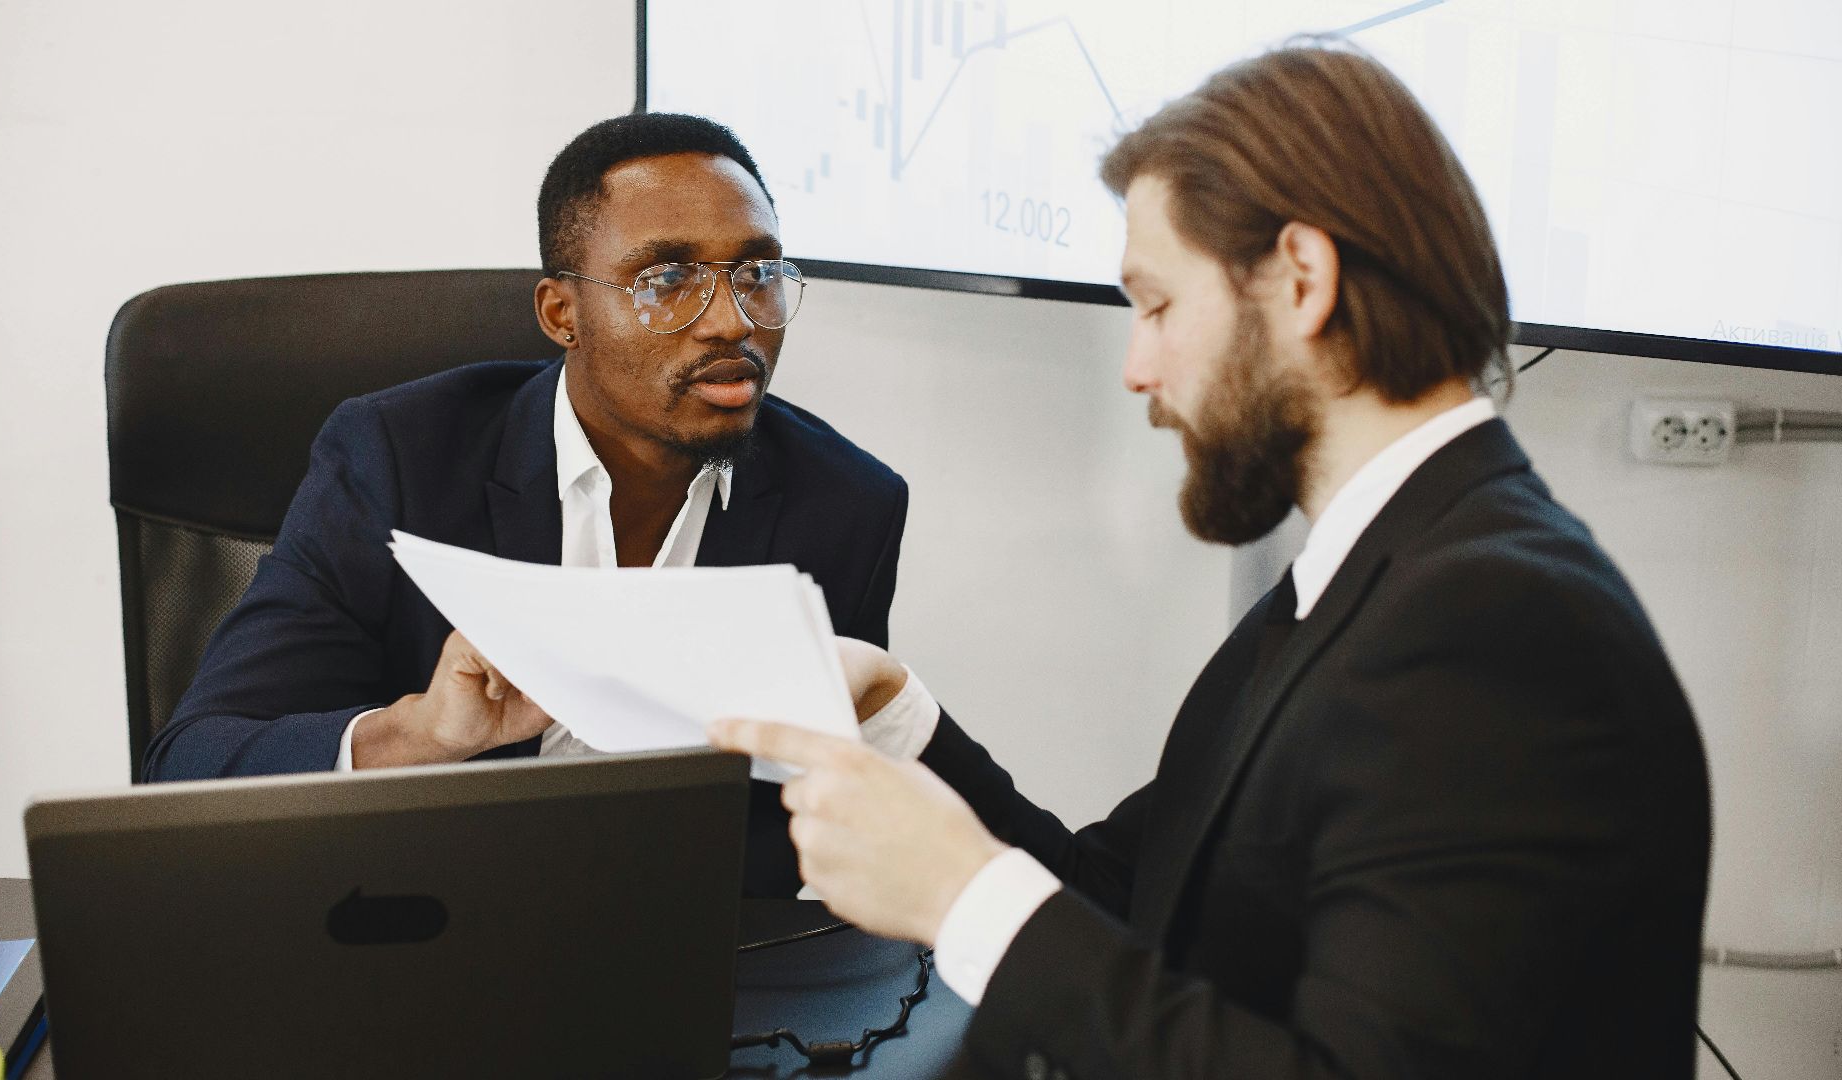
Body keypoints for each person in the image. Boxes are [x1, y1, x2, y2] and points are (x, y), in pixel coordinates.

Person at [711, 43, 1712, 1075]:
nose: (1138, 369)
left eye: (1157, 306)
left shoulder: (1495, 631)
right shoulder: (1364, 590)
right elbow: (1131, 900)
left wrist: (967, 896)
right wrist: (895, 712)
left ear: (1302, 280)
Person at [146, 113, 911, 898]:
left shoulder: (847, 506)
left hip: (704, 953)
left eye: (756, 274)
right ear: (561, 314)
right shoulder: (396, 460)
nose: (732, 319)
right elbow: (188, 771)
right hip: (436, 928)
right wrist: (423, 732)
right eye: (667, 279)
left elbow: (809, 814)